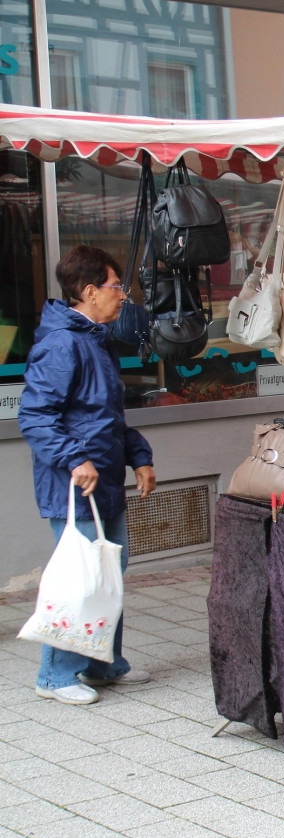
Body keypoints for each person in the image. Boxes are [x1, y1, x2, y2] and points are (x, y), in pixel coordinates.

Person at [19, 245, 156, 705]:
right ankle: (55, 676)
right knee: (79, 577)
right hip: (75, 482)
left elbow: (107, 417)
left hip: (104, 479)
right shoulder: (62, 344)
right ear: (90, 291)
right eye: (117, 287)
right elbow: (36, 416)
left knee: (108, 571)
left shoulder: (95, 339)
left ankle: (101, 663)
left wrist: (139, 456)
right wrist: (75, 461)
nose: (123, 295)